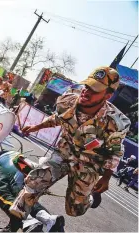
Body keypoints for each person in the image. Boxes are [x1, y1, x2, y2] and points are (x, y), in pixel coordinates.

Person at [10, 67, 131, 219]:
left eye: (95, 90)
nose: (87, 91)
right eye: (87, 86)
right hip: (64, 153)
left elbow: (115, 151)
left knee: (74, 210)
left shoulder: (116, 122)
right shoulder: (68, 100)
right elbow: (58, 118)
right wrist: (35, 127)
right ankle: (14, 222)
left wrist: (106, 177)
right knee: (36, 180)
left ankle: (90, 198)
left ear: (108, 95)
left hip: (88, 164)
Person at [0, 145, 66, 232]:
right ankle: (48, 219)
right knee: (23, 196)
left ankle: (28, 222)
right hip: (7, 171)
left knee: (3, 197)